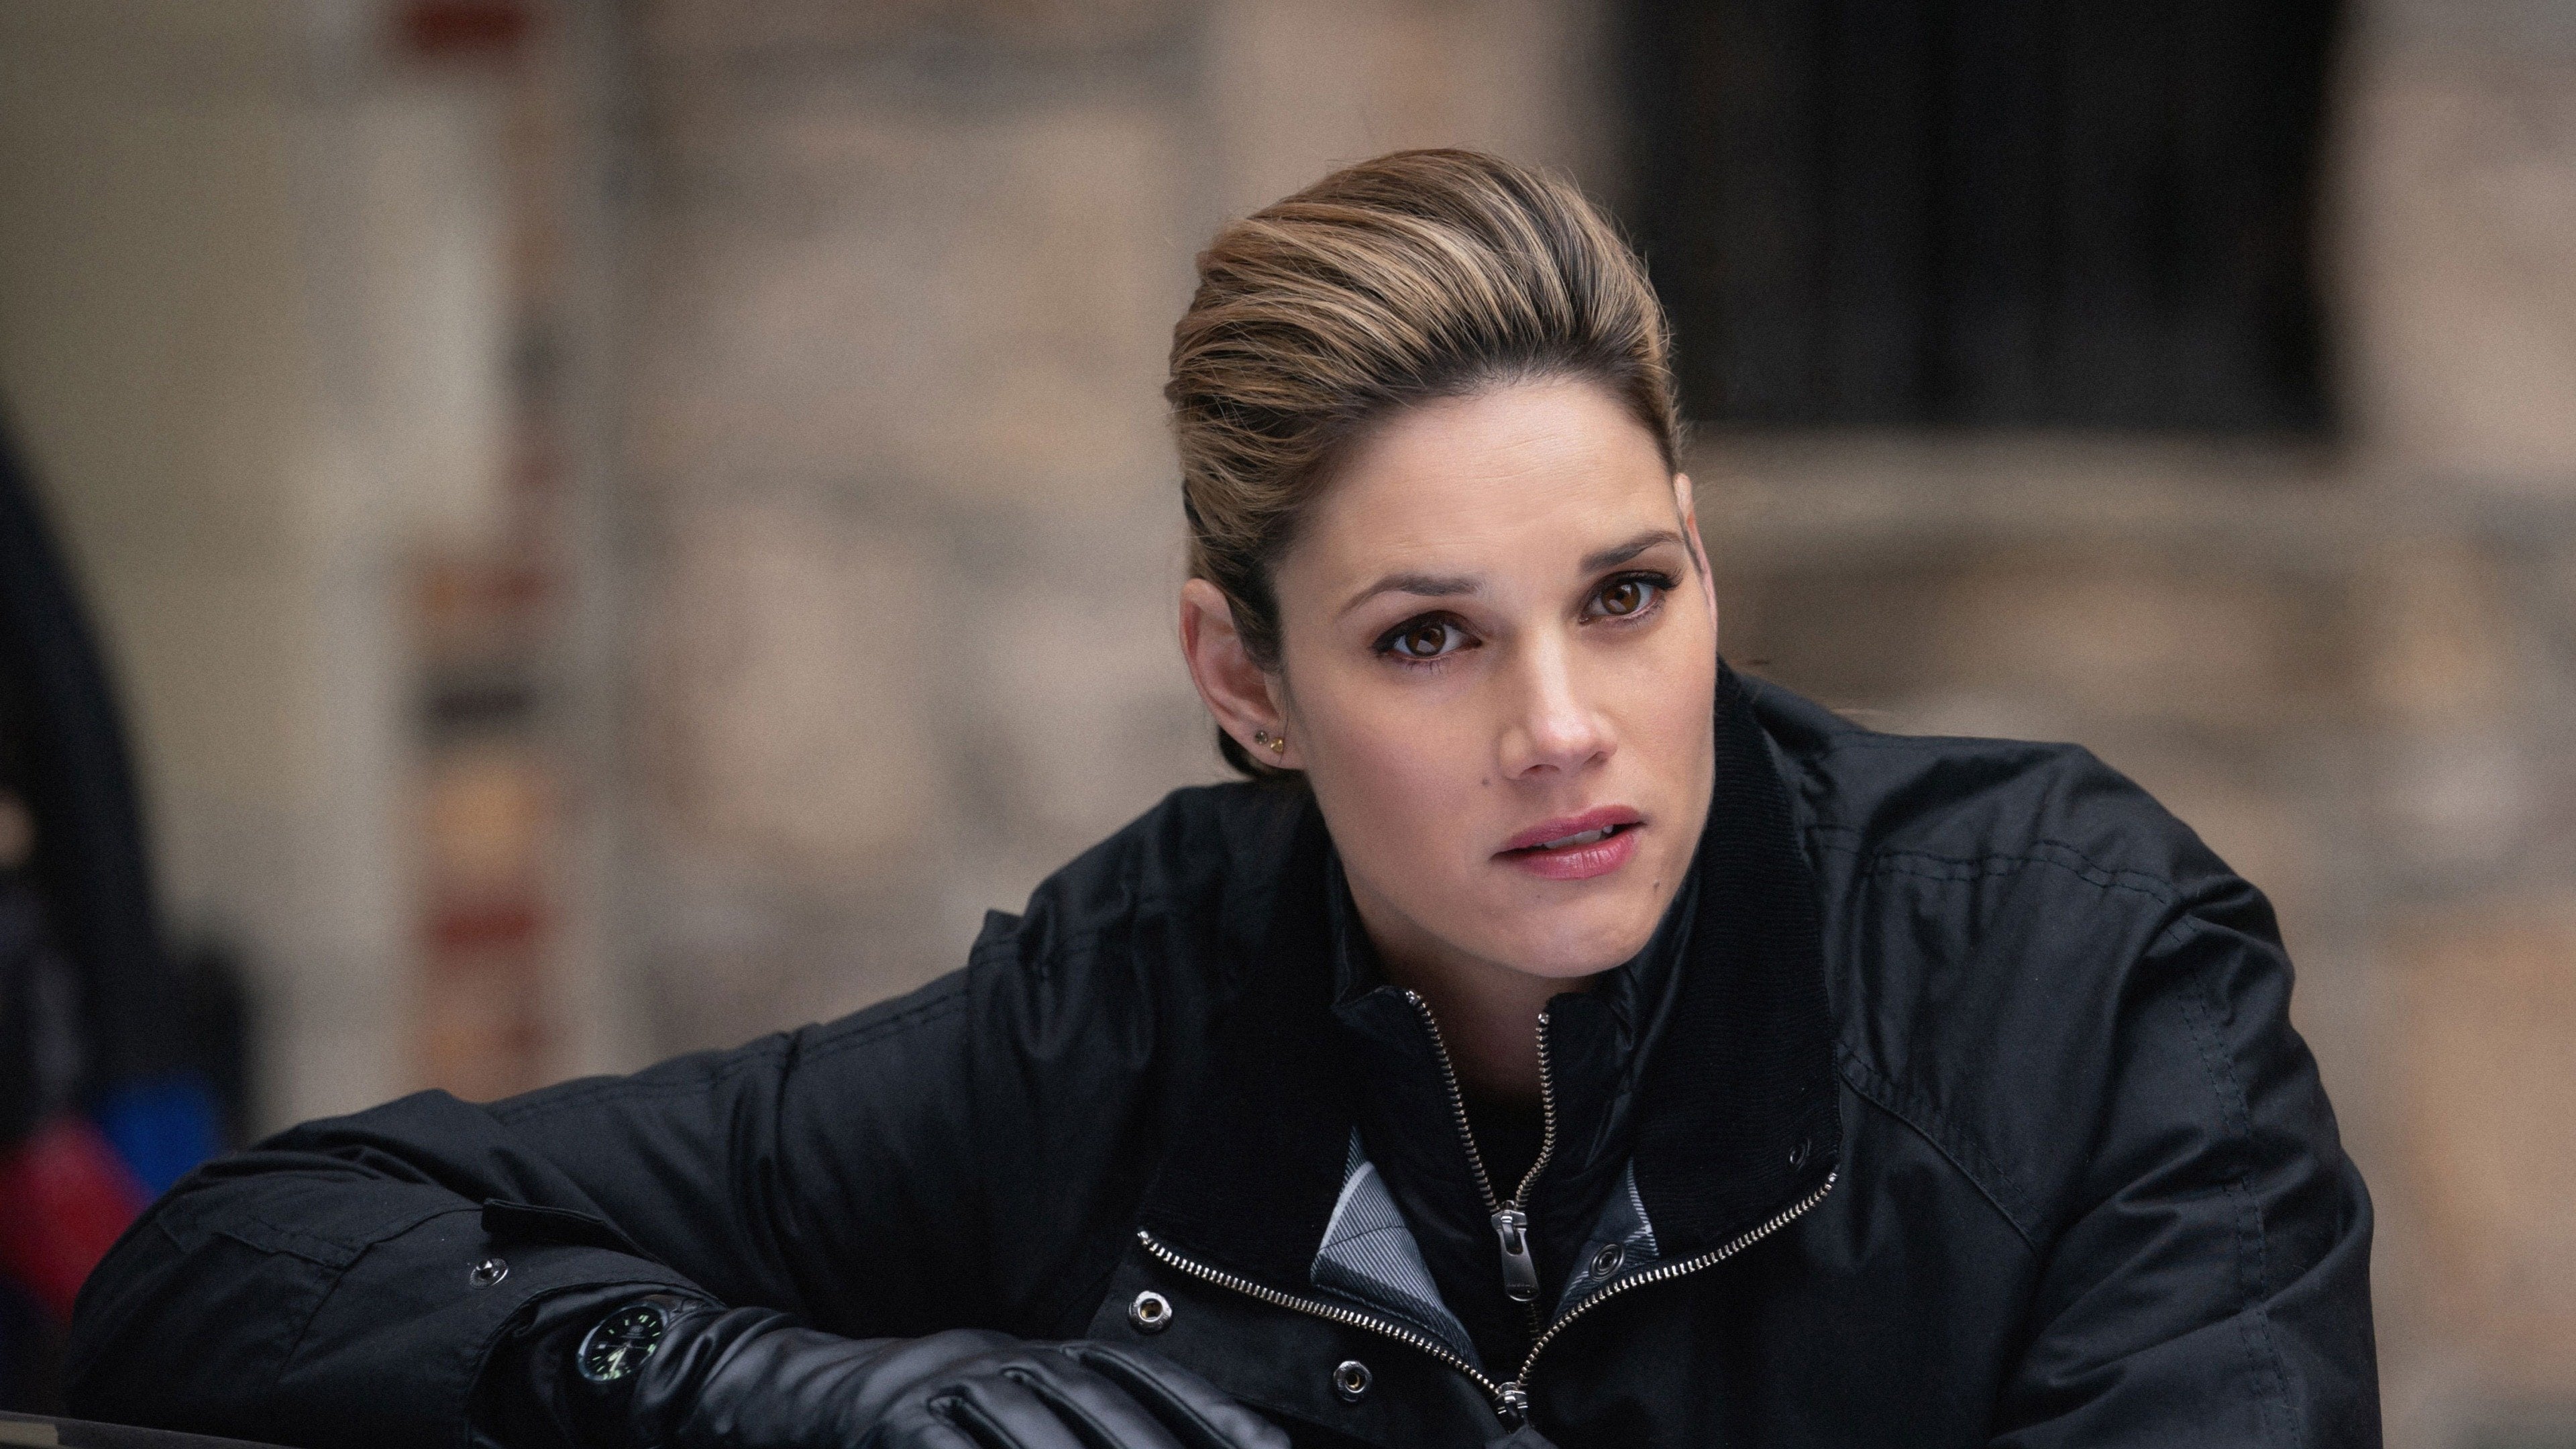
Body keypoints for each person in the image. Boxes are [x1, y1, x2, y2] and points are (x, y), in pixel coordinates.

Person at [64, 150, 2377, 1449]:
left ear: (1703, 559)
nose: (1564, 725)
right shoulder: (1125, 1002)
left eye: (1625, 596)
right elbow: (237, 1265)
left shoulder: (2081, 977)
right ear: (1242, 681)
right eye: (1427, 637)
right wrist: (805, 1404)